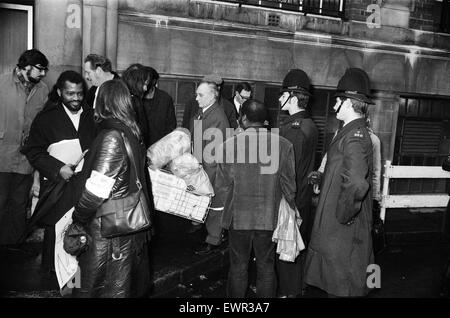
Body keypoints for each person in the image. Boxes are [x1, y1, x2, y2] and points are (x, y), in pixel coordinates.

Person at [70, 79, 153, 298]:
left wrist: (77, 219)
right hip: (119, 229)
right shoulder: (128, 131)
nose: (92, 101)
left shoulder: (112, 138)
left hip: (106, 232)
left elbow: (96, 190)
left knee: (95, 288)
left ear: (105, 102)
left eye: (96, 97)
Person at [304, 68, 375, 297]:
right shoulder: (348, 133)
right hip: (338, 233)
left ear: (349, 103)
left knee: (343, 287)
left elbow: (356, 183)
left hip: (343, 232)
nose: (334, 106)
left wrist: (343, 214)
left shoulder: (354, 137)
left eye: (338, 101)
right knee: (338, 285)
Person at [215, 99, 297, 297]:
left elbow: (222, 186)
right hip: (269, 218)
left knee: (238, 268)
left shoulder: (229, 145)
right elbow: (290, 187)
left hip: (238, 219)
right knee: (267, 267)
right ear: (265, 120)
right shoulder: (284, 145)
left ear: (243, 118)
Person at [21, 70, 97, 273]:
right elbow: (33, 151)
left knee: (80, 234)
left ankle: (76, 280)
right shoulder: (46, 118)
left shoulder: (92, 116)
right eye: (70, 94)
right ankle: (52, 279)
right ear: (60, 92)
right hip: (57, 186)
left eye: (79, 94)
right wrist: (57, 168)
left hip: (84, 186)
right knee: (56, 232)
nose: (76, 99)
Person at [0, 49, 49, 246]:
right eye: (40, 69)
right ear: (25, 66)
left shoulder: (43, 90)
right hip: (2, 154)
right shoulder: (2, 83)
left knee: (19, 204)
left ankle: (14, 245)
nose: (43, 74)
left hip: (25, 158)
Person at [276, 69, 318, 297]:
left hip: (291, 199)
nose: (279, 99)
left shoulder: (294, 129)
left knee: (287, 248)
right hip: (300, 196)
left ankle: (289, 291)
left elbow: (287, 171)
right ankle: (295, 287)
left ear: (293, 98)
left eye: (283, 95)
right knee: (295, 246)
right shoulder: (308, 125)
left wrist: (286, 202)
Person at [189, 79, 230, 255]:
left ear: (213, 96)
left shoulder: (217, 117)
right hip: (202, 167)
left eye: (200, 95)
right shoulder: (203, 113)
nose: (196, 98)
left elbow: (213, 156)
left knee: (215, 207)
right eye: (196, 94)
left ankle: (214, 240)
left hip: (212, 171)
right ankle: (212, 235)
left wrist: (205, 178)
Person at [142, 66, 177, 148]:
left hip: (161, 146)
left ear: (154, 81)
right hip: (141, 146)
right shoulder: (137, 98)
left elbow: (171, 124)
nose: (145, 83)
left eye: (147, 80)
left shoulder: (165, 98)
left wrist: (162, 144)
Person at [121, 63, 150, 147]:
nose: (145, 88)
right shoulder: (133, 101)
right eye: (144, 84)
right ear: (135, 83)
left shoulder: (124, 97)